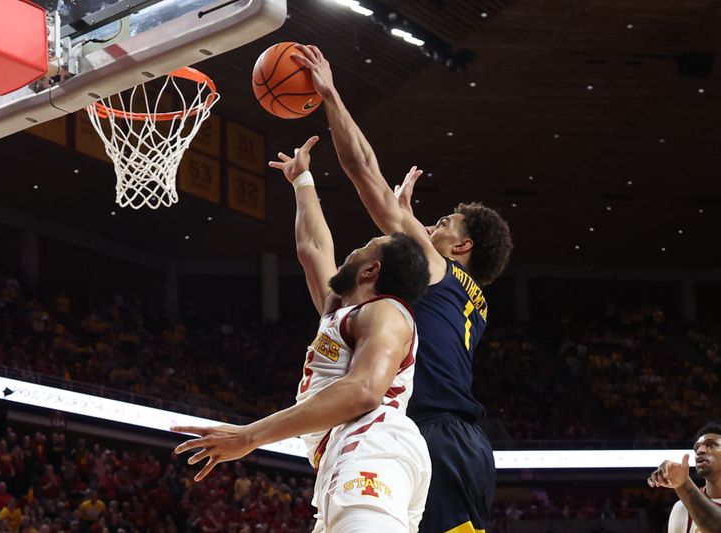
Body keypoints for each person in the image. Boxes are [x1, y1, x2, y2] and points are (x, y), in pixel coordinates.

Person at [292, 44, 514, 533]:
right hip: (446, 439)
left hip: (425, 433)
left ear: (463, 247)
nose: (431, 226)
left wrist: (330, 95)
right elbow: (317, 256)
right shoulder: (465, 300)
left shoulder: (433, 275)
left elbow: (365, 174)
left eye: (443, 223)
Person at [172, 136, 432, 532]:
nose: (350, 253)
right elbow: (312, 247)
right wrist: (302, 180)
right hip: (349, 453)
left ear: (370, 271)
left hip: (372, 445)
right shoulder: (342, 310)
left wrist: (250, 436)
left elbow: (364, 391)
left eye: (363, 248)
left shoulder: (387, 312)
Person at [648, 422, 721, 533]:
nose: (699, 451)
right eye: (696, 448)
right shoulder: (681, 508)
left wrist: (683, 484)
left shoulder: (685, 492)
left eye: (711, 445)